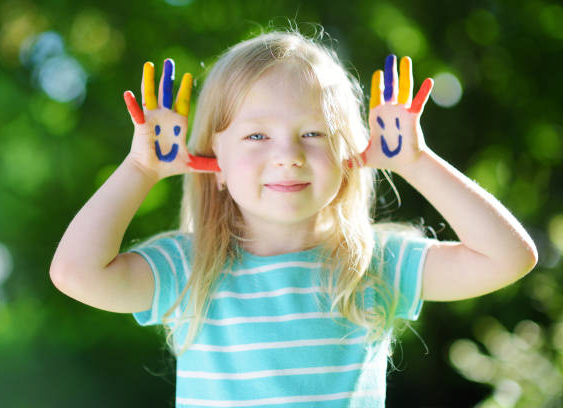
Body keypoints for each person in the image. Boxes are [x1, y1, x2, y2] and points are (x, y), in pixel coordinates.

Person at [50, 29, 538, 407]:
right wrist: (139, 169)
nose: (287, 155)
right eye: (257, 137)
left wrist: (416, 161)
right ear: (212, 162)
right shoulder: (188, 268)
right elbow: (75, 274)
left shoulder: (374, 262)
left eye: (314, 134)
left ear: (352, 155)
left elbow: (508, 258)